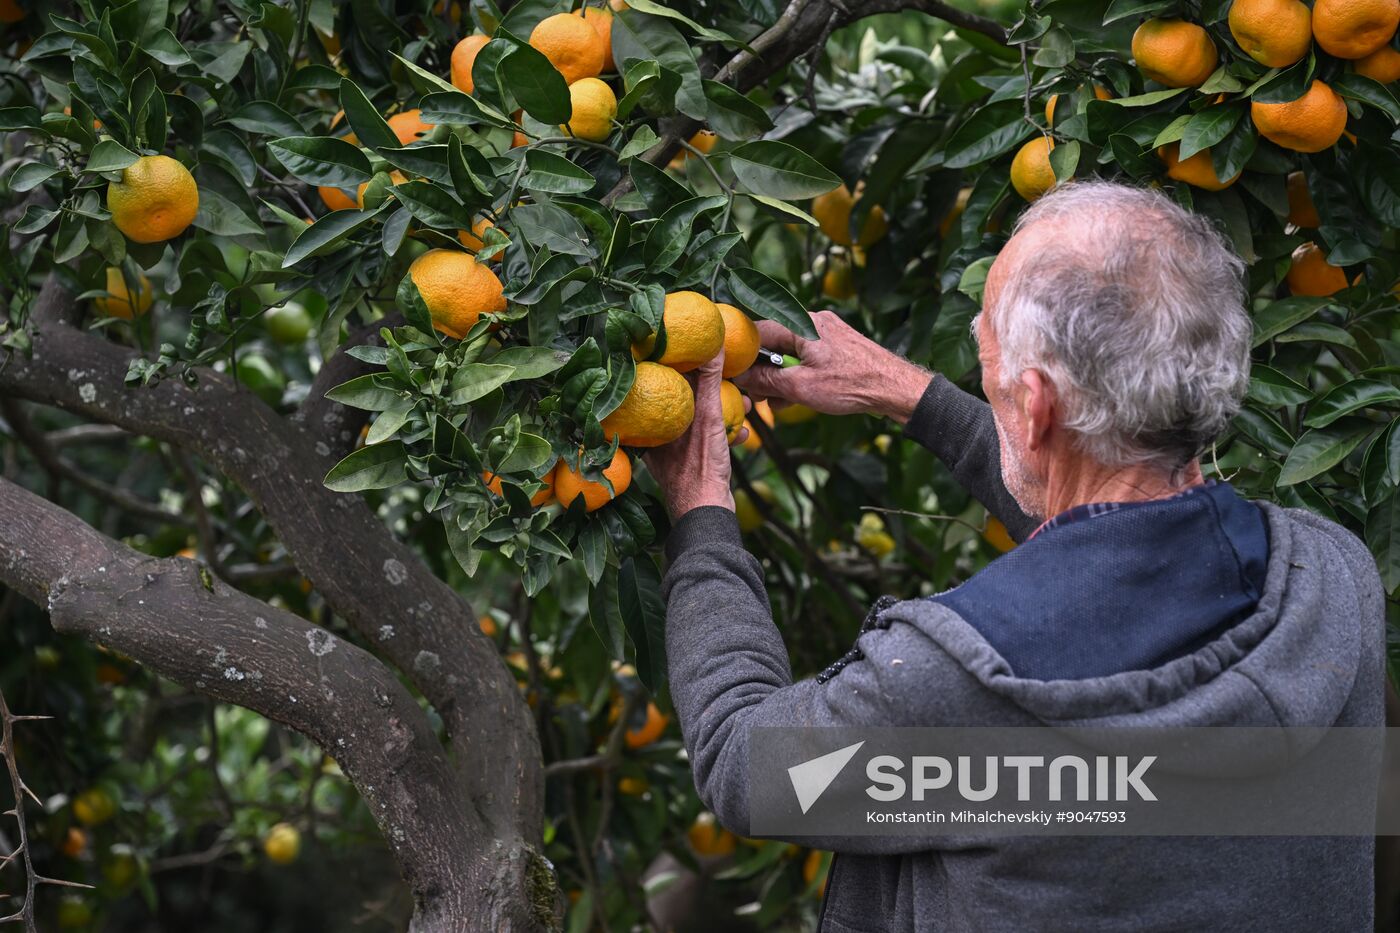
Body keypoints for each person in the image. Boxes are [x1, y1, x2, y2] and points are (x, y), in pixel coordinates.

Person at [645, 181, 1385, 931]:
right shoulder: (1331, 579)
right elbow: (1117, 530)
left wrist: (700, 509)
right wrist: (910, 394)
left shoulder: (956, 687)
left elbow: (751, 764)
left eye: (988, 364)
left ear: (1034, 408)